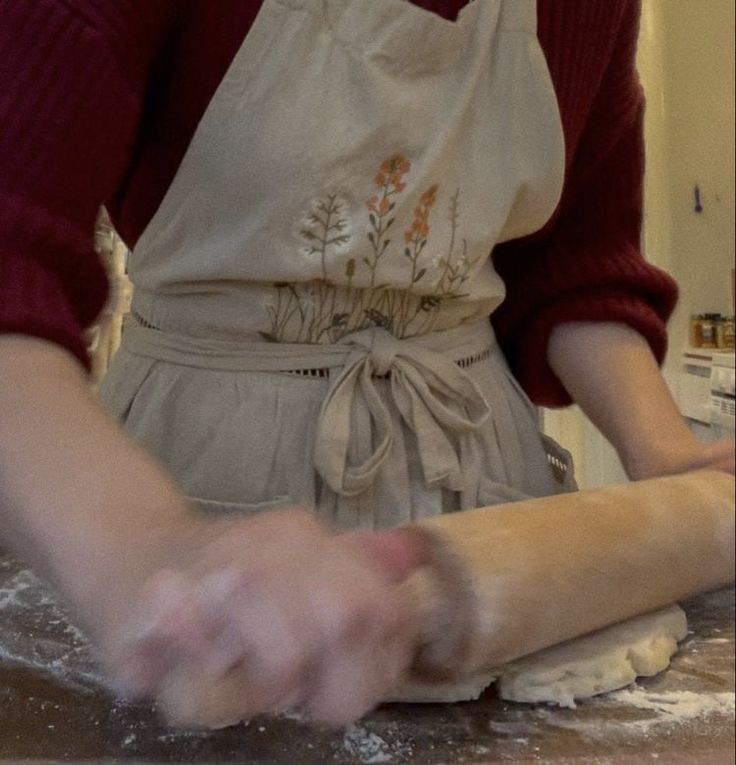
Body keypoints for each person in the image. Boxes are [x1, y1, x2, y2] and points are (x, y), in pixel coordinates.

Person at [1, 0, 733, 728]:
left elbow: (577, 261)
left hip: (487, 495)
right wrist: (156, 555)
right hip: (198, 483)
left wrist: (667, 457)